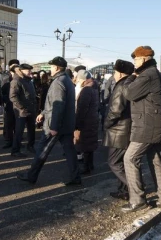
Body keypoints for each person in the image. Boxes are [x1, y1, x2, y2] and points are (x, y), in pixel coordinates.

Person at [122, 46, 161, 213]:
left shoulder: (147, 75)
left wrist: (128, 78)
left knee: (130, 158)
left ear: (144, 59)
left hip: (147, 126)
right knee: (157, 161)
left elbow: (129, 93)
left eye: (136, 59)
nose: (134, 63)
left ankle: (138, 200)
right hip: (154, 124)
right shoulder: (153, 73)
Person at [16, 56, 81, 186]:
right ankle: (76, 177)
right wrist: (43, 113)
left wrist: (54, 127)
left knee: (42, 150)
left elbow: (58, 105)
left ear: (56, 67)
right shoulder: (67, 80)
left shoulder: (58, 82)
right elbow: (54, 104)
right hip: (67, 123)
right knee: (69, 151)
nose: (50, 69)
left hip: (56, 124)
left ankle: (31, 175)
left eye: (51, 66)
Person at [103, 59, 135, 201]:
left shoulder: (121, 86)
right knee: (121, 162)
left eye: (115, 71)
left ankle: (135, 189)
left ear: (121, 73)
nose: (114, 74)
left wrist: (106, 124)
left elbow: (116, 110)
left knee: (114, 162)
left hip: (119, 130)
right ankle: (125, 190)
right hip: (125, 128)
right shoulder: (128, 84)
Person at [74, 70, 99, 174]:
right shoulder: (94, 88)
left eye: (78, 79)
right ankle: (90, 165)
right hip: (92, 119)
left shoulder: (86, 90)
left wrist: (77, 123)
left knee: (84, 144)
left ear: (82, 80)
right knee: (89, 144)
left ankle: (86, 167)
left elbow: (82, 108)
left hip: (85, 121)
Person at [10, 63, 37, 157]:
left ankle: (30, 146)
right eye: (27, 70)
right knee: (19, 131)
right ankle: (15, 150)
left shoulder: (29, 80)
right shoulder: (17, 81)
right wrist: (21, 107)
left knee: (31, 129)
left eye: (30, 70)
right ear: (21, 71)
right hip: (21, 111)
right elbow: (13, 96)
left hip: (31, 109)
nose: (30, 72)